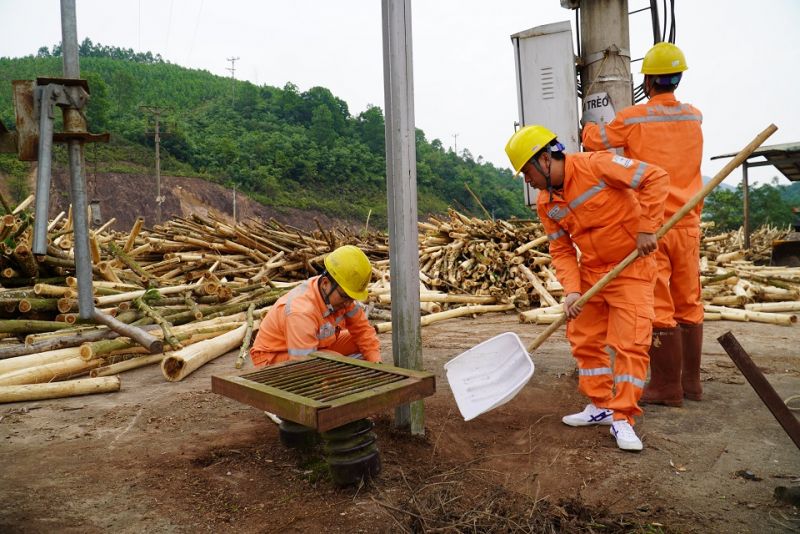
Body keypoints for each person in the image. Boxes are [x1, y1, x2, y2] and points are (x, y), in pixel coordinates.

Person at [505, 125, 668, 451]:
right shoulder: (546, 203)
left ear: (545, 159)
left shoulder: (597, 165)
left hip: (631, 267)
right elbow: (562, 250)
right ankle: (600, 406)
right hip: (592, 271)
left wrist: (647, 228)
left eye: (527, 171)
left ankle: (622, 418)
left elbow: (656, 177)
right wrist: (572, 291)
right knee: (583, 337)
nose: (527, 180)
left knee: (631, 344)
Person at [582, 42, 704, 407]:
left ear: (648, 81)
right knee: (689, 301)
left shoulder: (634, 118)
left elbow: (595, 142)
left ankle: (667, 387)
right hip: (689, 222)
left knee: (661, 305)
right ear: (678, 78)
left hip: (653, 226)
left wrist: (587, 124)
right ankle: (691, 385)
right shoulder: (694, 116)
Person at [250, 245, 381, 366]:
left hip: (314, 346)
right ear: (325, 283)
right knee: (334, 361)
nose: (348, 303)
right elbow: (303, 364)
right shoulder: (301, 311)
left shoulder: (342, 295)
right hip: (273, 357)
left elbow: (364, 332)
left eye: (352, 298)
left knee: (364, 344)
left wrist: (376, 364)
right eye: (345, 297)